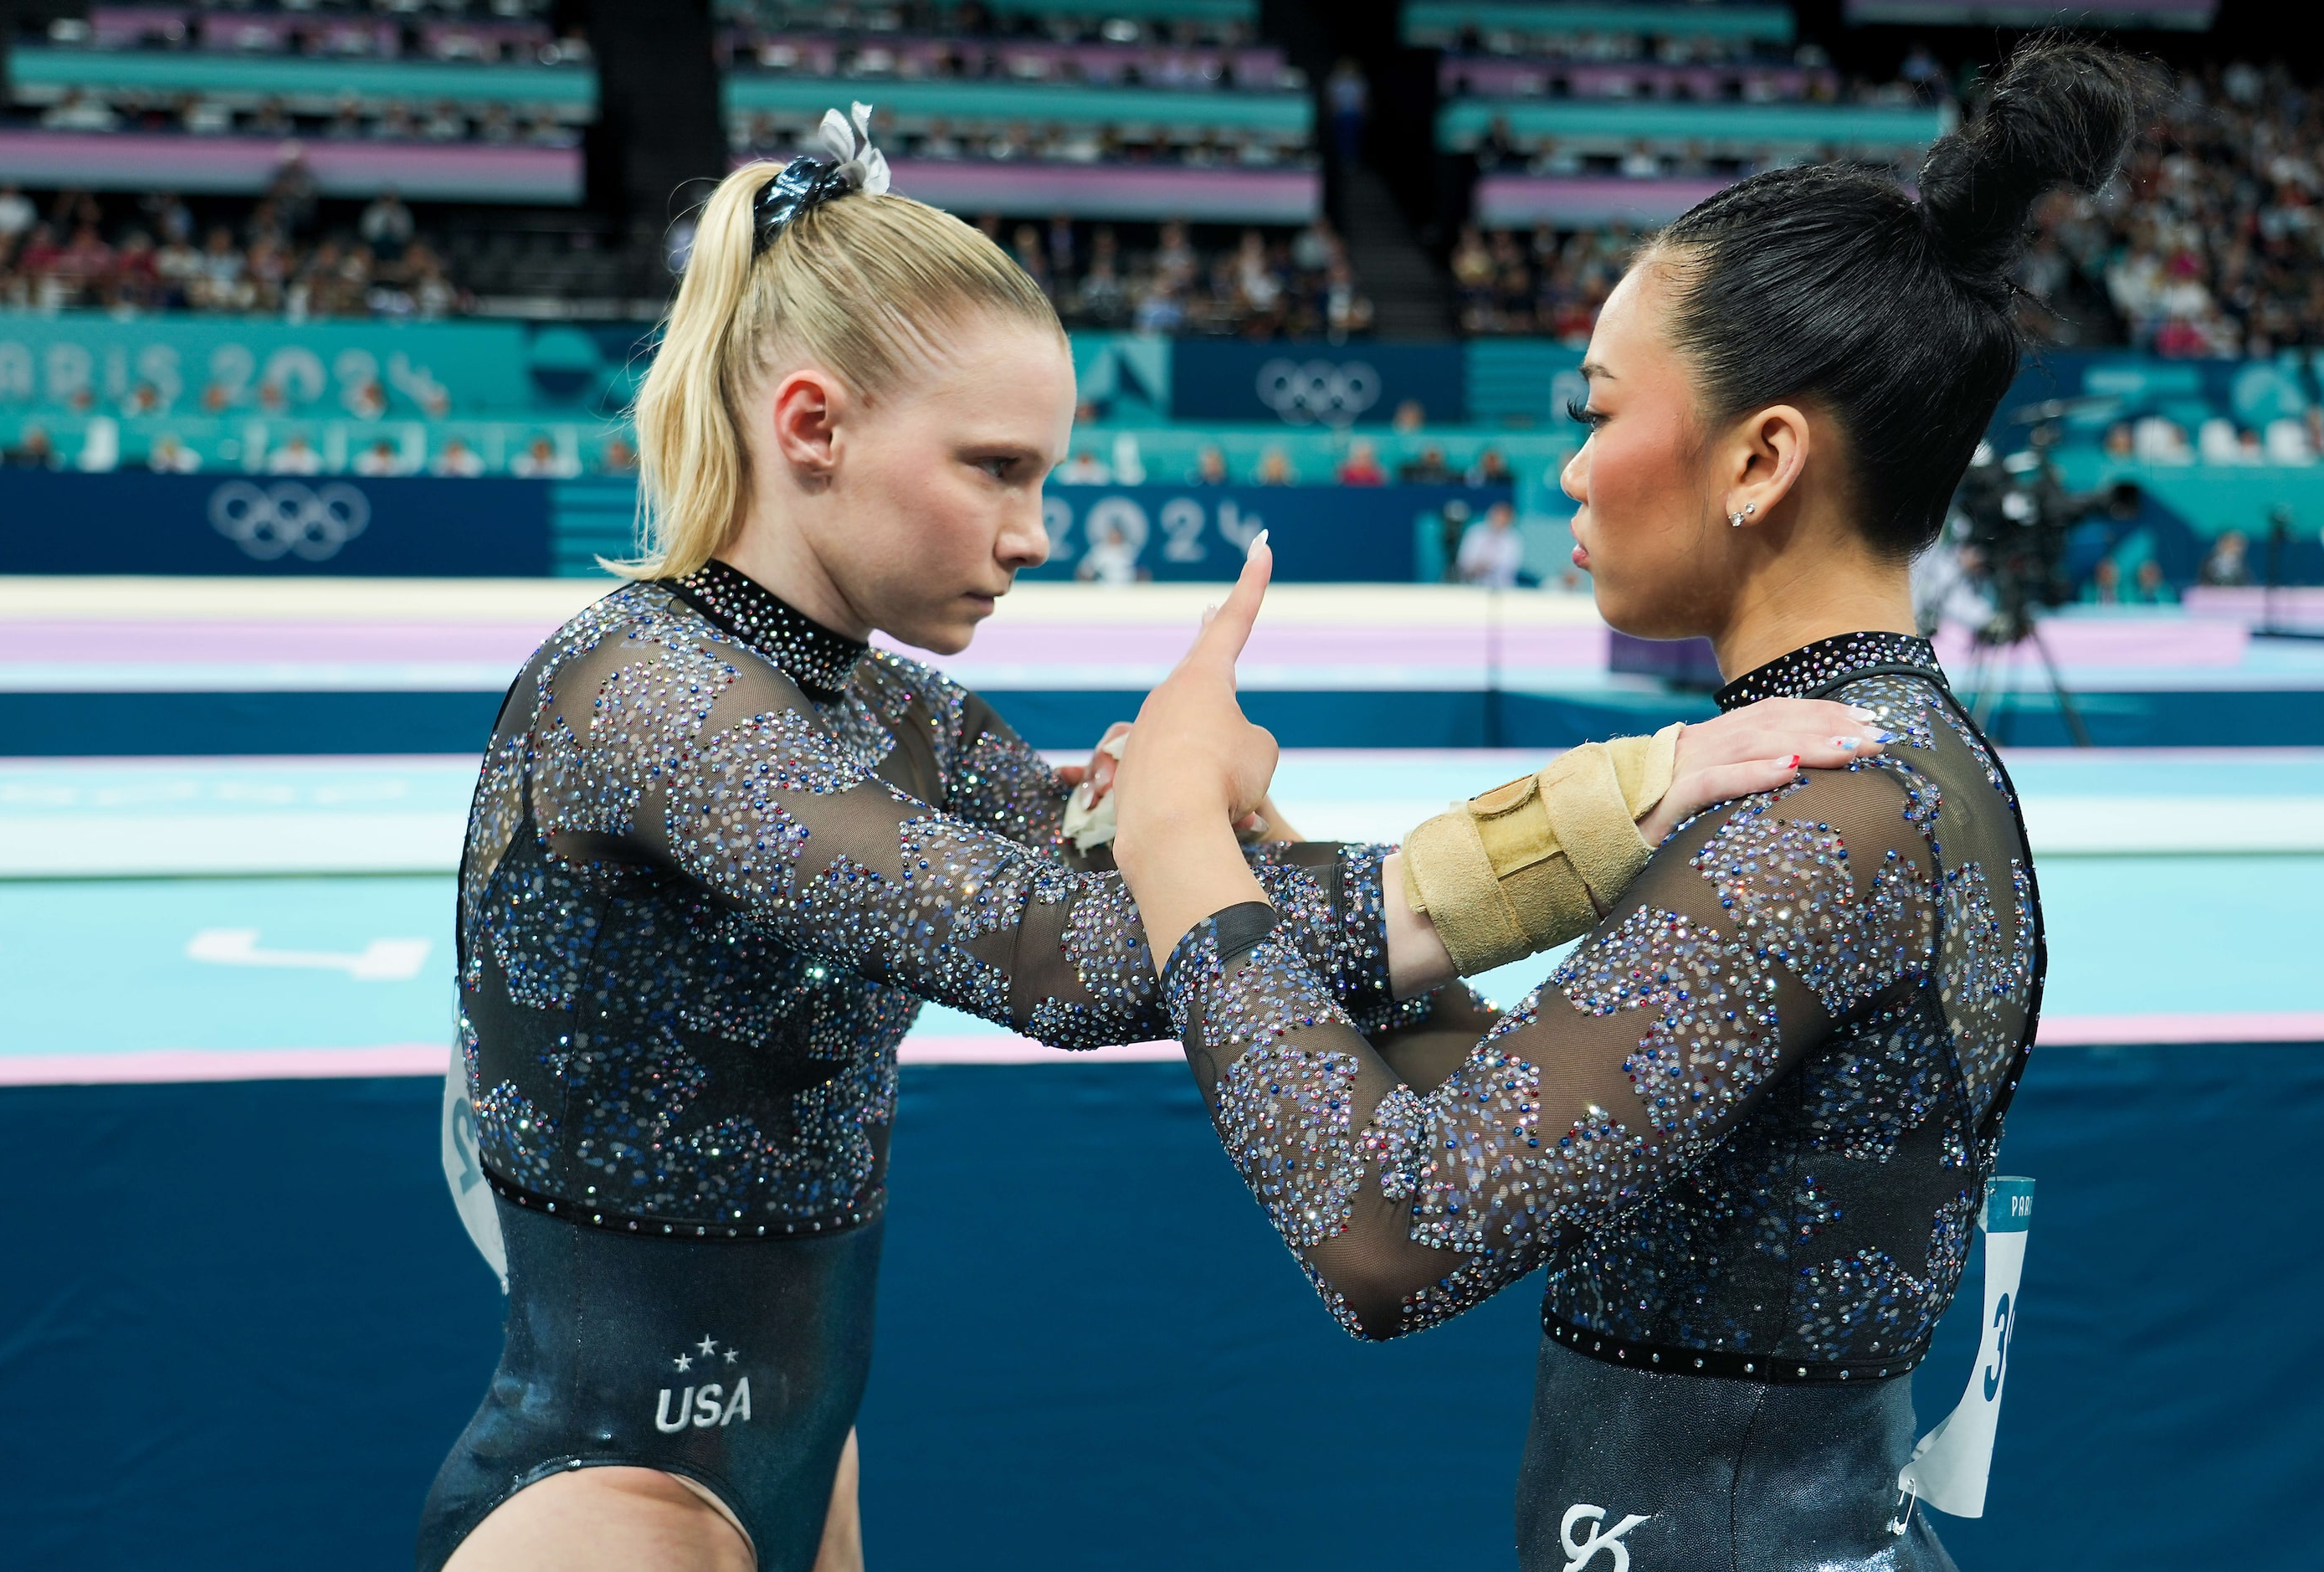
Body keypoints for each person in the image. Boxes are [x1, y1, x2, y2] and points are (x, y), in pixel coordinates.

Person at [423, 104, 1873, 1572]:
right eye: (993, 468)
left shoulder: (904, 719)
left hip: (802, 1449)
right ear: (810, 425)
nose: (1034, 531)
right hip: (598, 1493)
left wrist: (1175, 811)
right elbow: (1069, 957)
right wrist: (1592, 811)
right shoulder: (643, 696)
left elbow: (1184, 907)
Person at [1104, 39, 2141, 1569]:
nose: (1570, 470)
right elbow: (1571, 1122)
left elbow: (1402, 1230)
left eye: (1594, 410)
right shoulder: (1904, 763)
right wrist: (1278, 873)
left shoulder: (1824, 813)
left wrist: (1177, 842)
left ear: (1760, 457)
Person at [1454, 499, 1524, 586]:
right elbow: (1463, 559)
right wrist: (1475, 567)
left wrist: (1487, 566)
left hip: (1501, 587)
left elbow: (1510, 566)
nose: (1499, 520)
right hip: (1470, 584)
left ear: (1509, 520)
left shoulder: (1513, 539)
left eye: (1503, 517)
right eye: (1497, 516)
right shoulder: (1475, 532)